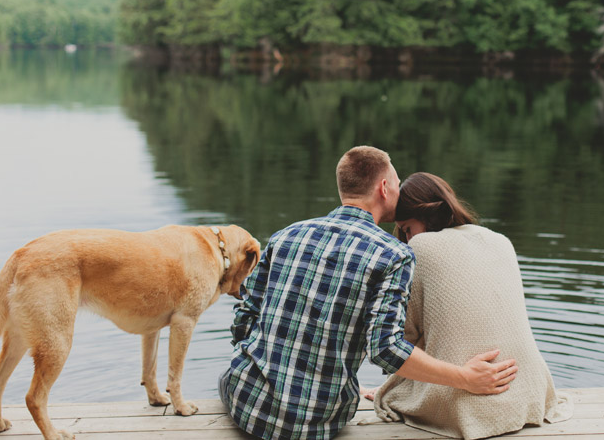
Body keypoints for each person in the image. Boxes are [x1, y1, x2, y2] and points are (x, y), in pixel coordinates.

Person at [219, 147, 518, 440]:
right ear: (384, 188)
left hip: (245, 403)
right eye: (399, 185)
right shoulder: (394, 255)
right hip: (316, 423)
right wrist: (465, 378)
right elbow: (386, 349)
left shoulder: (286, 235)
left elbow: (245, 315)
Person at [370, 172, 572, 439]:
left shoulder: (421, 247)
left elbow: (403, 338)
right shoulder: (499, 240)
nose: (406, 239)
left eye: (407, 228)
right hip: (529, 395)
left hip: (472, 405)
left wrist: (394, 384)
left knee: (396, 389)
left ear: (425, 213)